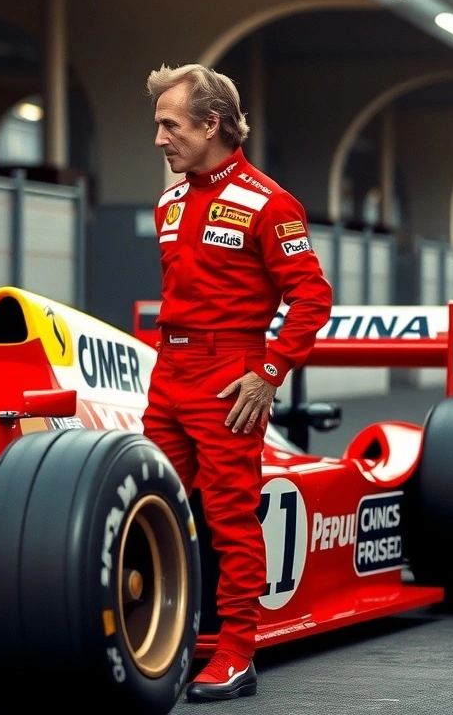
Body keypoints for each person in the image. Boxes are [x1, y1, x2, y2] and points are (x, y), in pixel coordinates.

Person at [141, 63, 333, 702]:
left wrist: (269, 374)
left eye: (170, 125)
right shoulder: (168, 201)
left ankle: (236, 652)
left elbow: (311, 297)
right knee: (153, 507)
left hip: (229, 378)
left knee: (229, 516)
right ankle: (167, 631)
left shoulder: (270, 202)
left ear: (211, 123)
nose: (160, 138)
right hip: (167, 374)